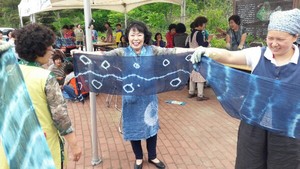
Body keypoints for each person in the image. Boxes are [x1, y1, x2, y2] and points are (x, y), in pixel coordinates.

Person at [190, 9, 300, 169]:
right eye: (270, 38)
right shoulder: (259, 55)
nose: (274, 44)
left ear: (295, 37)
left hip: (288, 129)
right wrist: (207, 51)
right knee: (249, 163)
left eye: (280, 39)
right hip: (253, 124)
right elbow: (229, 56)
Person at [87, 21, 196, 169]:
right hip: (130, 97)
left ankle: (153, 156)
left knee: (151, 127)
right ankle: (138, 157)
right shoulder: (122, 53)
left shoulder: (152, 50)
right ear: (127, 37)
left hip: (149, 97)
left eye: (139, 34)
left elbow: (171, 52)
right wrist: (81, 54)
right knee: (133, 127)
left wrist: (193, 51)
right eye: (132, 35)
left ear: (145, 36)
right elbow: (102, 55)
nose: (136, 38)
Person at [2, 23, 81, 169]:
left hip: (13, 143)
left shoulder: (7, 72)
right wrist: (74, 144)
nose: (52, 50)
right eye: (49, 46)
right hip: (43, 144)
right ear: (37, 49)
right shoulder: (45, 77)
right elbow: (60, 117)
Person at [188, 16, 211, 101]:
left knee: (192, 75)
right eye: (204, 24)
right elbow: (202, 45)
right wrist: (208, 40)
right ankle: (200, 95)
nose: (205, 26)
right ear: (201, 24)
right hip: (199, 56)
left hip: (191, 55)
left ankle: (191, 92)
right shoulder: (199, 33)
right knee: (200, 75)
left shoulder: (191, 34)